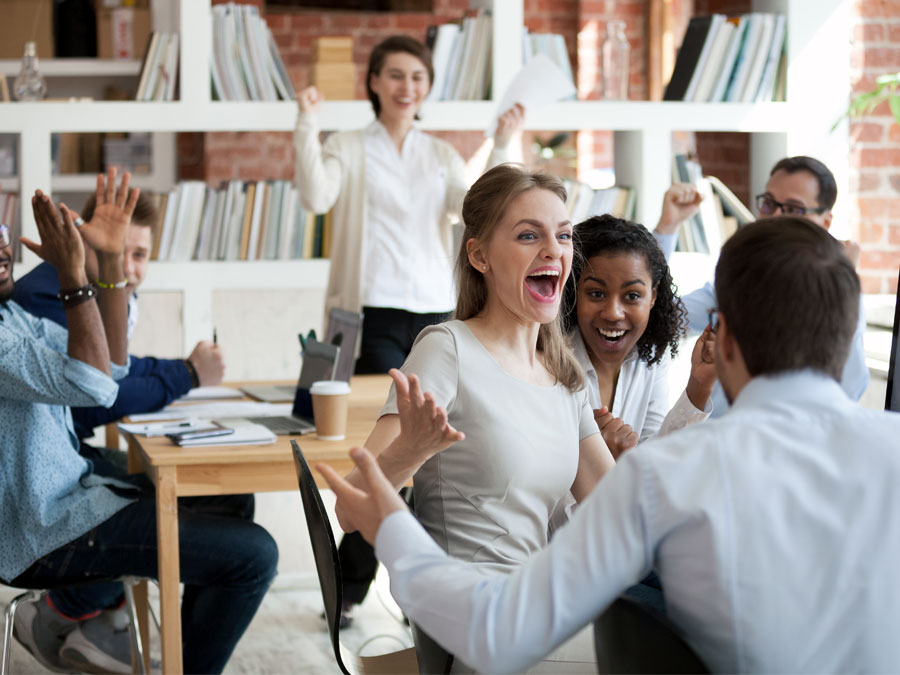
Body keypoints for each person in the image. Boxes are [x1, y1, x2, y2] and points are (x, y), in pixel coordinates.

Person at [322, 216, 900, 674]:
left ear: (722, 341)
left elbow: (499, 634)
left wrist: (389, 528)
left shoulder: (670, 472)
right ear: (848, 336)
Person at [1, 178, 277, 675]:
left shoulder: (11, 316)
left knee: (232, 501)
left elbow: (112, 371)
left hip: (74, 492)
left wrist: (106, 265)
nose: (4, 244)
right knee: (254, 556)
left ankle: (174, 657)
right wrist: (73, 272)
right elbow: (96, 388)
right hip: (44, 528)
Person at [293, 34, 524, 618]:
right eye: (395, 76)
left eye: (417, 78)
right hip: (370, 315)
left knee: (431, 457)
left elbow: (476, 210)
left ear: (426, 88)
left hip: (433, 315)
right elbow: (316, 195)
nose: (406, 88)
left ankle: (420, 587)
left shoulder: (441, 154)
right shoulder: (348, 145)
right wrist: (306, 122)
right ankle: (347, 590)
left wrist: (503, 140)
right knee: (384, 454)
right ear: (374, 82)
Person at [335, 164, 614, 580]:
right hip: (473, 610)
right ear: (479, 255)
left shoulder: (563, 374)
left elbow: (616, 507)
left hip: (542, 596)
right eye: (528, 235)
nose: (554, 250)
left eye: (563, 235)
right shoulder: (447, 350)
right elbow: (349, 510)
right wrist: (410, 449)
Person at [652, 156, 869, 407]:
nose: (775, 217)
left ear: (825, 222)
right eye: (768, 204)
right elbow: (657, 318)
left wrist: (841, 288)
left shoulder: (840, 294)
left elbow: (851, 387)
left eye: (793, 209)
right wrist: (667, 228)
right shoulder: (738, 281)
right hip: (723, 433)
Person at [14, 185, 225, 442]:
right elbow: (91, 399)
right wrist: (188, 374)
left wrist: (190, 366)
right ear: (84, 240)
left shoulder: (108, 294)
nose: (125, 268)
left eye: (139, 255)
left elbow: (123, 366)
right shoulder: (44, 296)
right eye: (112, 252)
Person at [567, 215, 716, 458]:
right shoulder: (549, 361)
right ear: (573, 291)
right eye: (596, 293)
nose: (613, 313)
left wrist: (699, 386)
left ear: (653, 296)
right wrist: (602, 462)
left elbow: (657, 458)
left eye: (632, 296)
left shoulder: (651, 354)